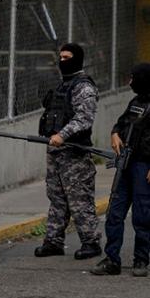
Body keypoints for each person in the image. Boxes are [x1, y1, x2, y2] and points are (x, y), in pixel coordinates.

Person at [91, 63, 150, 277]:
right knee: (114, 213)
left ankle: (141, 260)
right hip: (126, 165)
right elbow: (121, 123)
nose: (130, 82)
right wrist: (114, 134)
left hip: (145, 167)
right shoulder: (135, 102)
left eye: (133, 78)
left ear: (143, 79)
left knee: (143, 215)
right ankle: (112, 260)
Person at [36, 43, 102, 259]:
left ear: (77, 59)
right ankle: (53, 241)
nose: (62, 61)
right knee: (57, 197)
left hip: (74, 154)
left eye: (67, 57)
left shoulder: (84, 87)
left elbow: (84, 118)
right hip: (55, 152)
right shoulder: (62, 85)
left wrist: (62, 136)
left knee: (79, 199)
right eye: (60, 57)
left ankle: (91, 242)